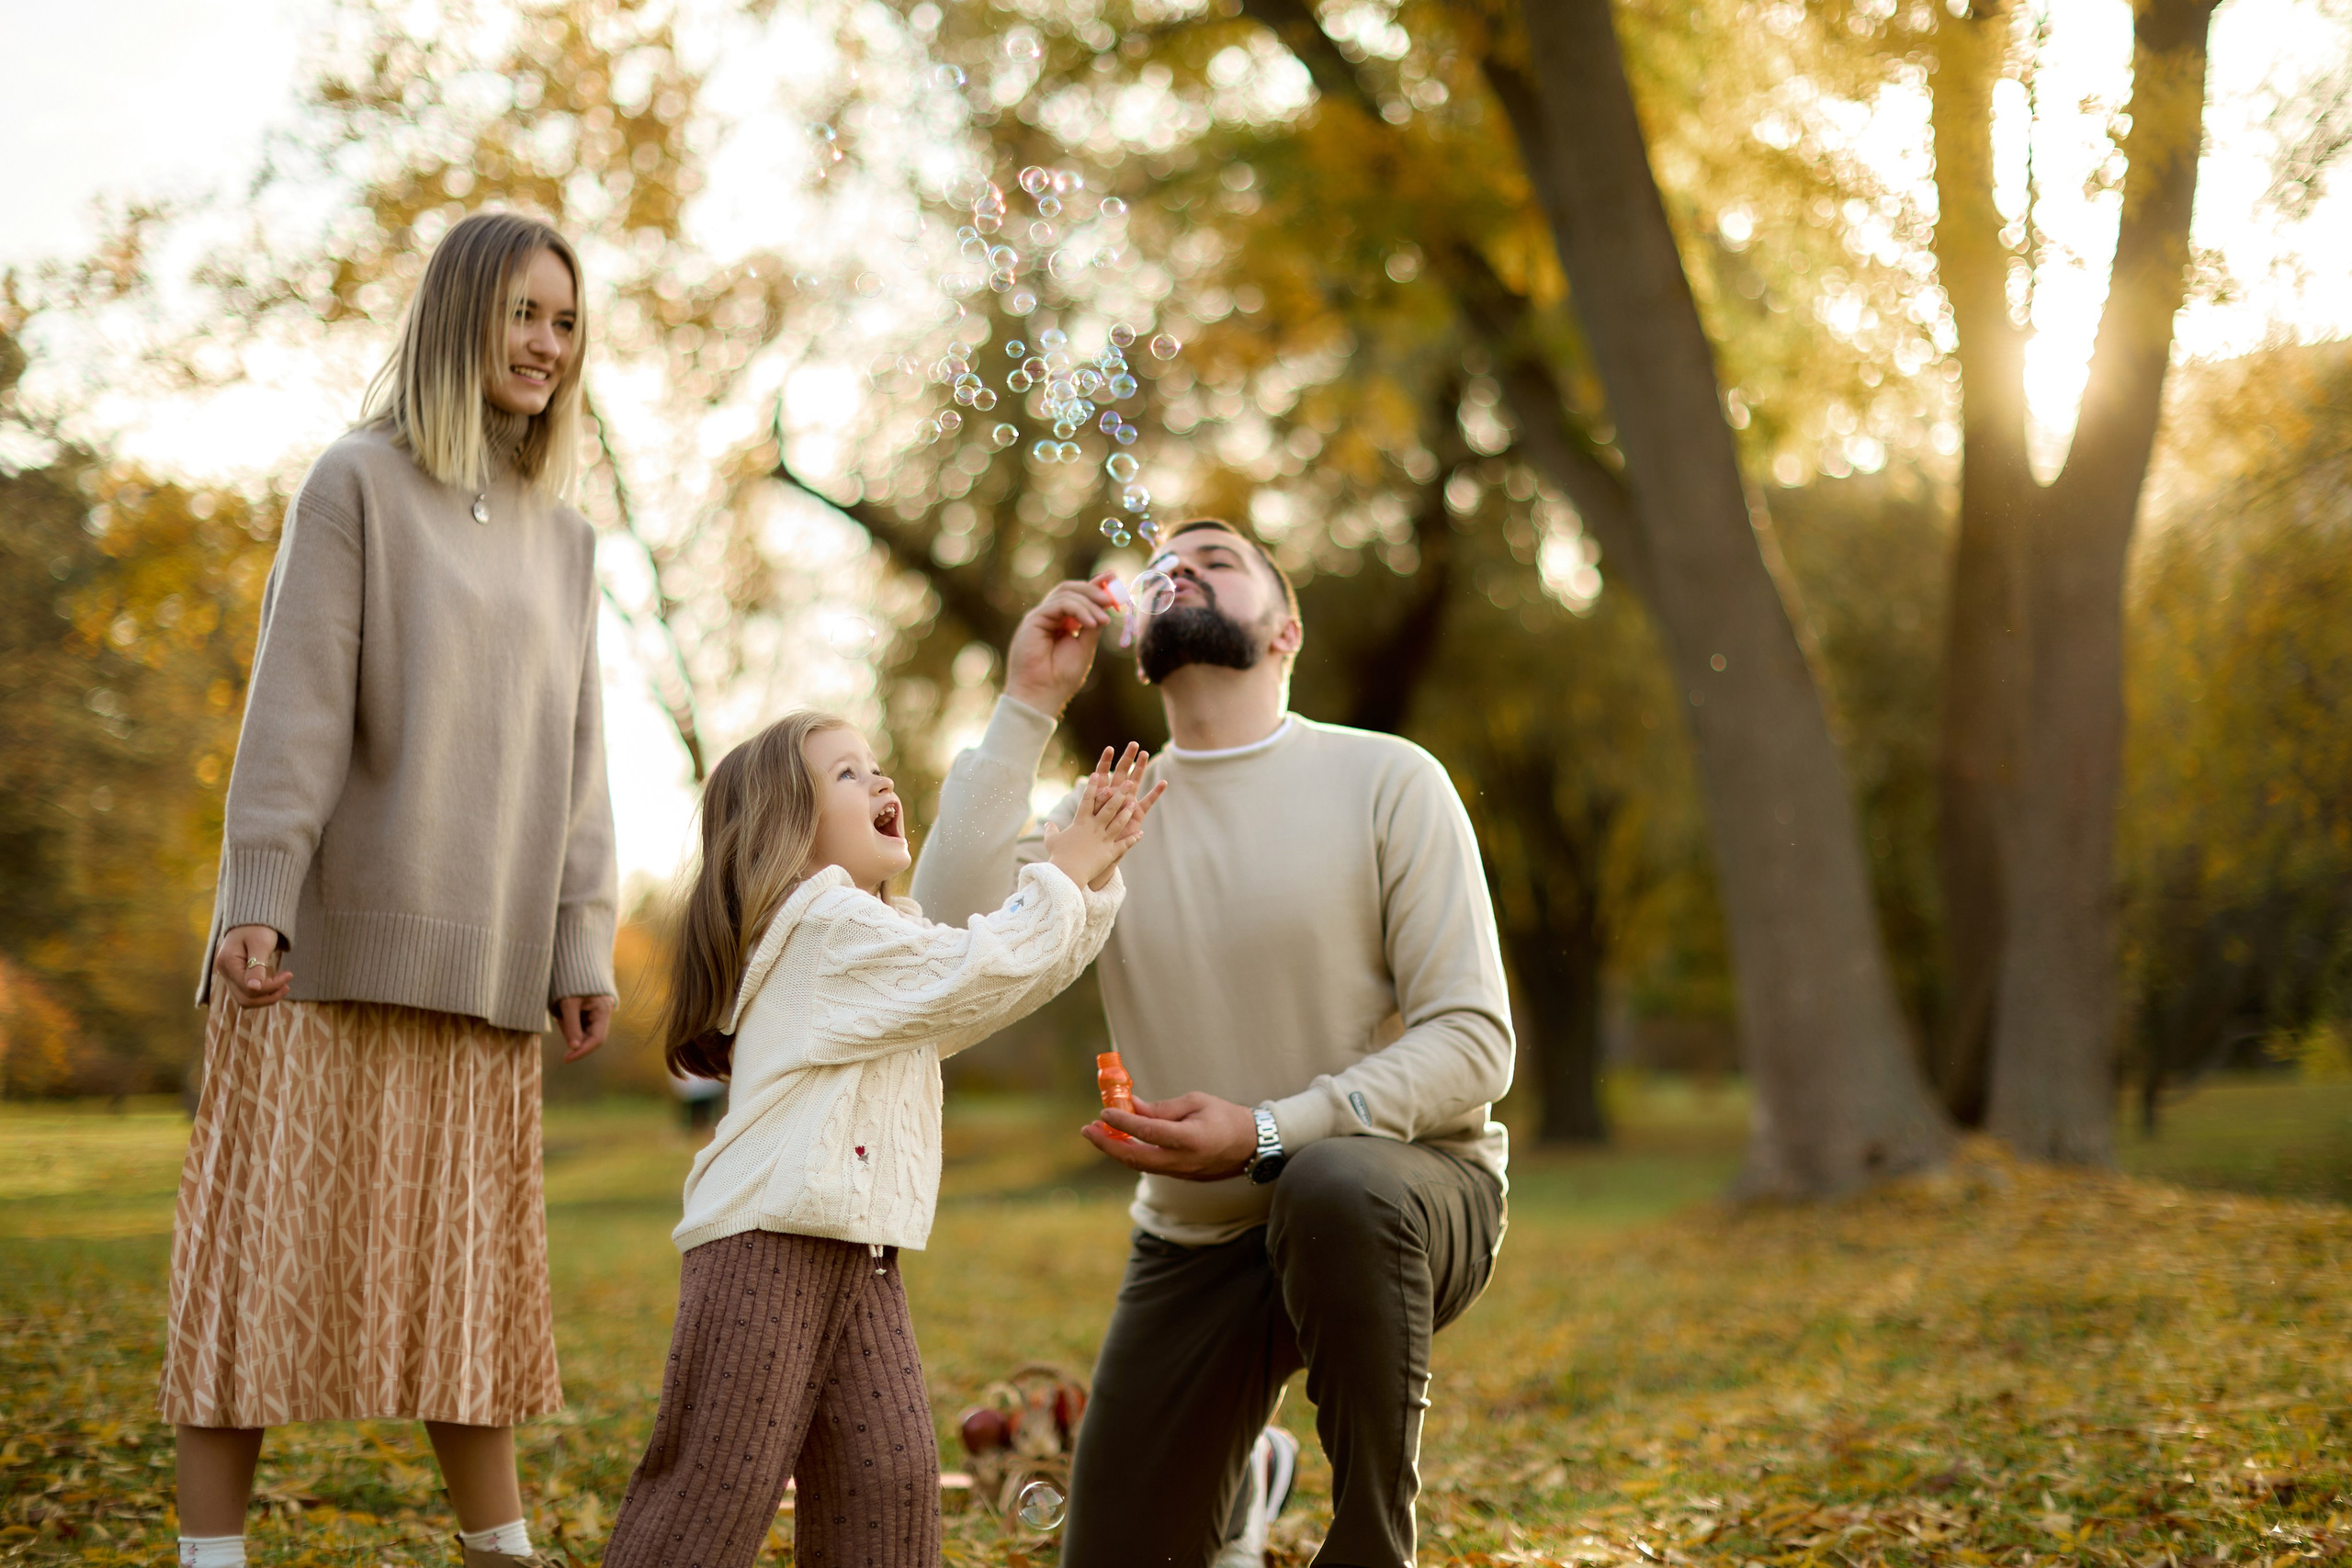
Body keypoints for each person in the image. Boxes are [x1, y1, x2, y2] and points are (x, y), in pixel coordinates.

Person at [912, 520, 1516, 1568]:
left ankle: (1373, 1547)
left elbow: (1472, 1040)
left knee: (1328, 1184)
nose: (1177, 569)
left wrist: (1271, 1131)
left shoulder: (1389, 779)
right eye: (1160, 569)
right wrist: (1026, 706)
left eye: (1215, 560)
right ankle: (1245, 1484)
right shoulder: (1106, 814)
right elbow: (940, 931)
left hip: (1404, 1201)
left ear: (1285, 630)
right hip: (1196, 1242)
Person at [162, 211, 617, 1568]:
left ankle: (501, 1547)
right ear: (459, 317)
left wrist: (580, 935)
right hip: (322, 956)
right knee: (256, 1271)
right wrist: (259, 894)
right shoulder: (354, 482)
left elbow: (580, 759)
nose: (545, 344)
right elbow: (294, 709)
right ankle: (210, 1554)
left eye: (565, 322)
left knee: (463, 1295)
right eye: (524, 313)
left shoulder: (570, 539)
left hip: (487, 972)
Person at [600, 713, 1163, 1568]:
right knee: (713, 1492)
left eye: (876, 766)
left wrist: (1089, 878)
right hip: (767, 1245)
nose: (882, 782)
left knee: (888, 1480)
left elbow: (989, 988)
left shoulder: (872, 936)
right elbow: (984, 965)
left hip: (857, 1245)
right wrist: (1065, 872)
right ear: (786, 830)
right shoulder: (821, 924)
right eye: (848, 775)